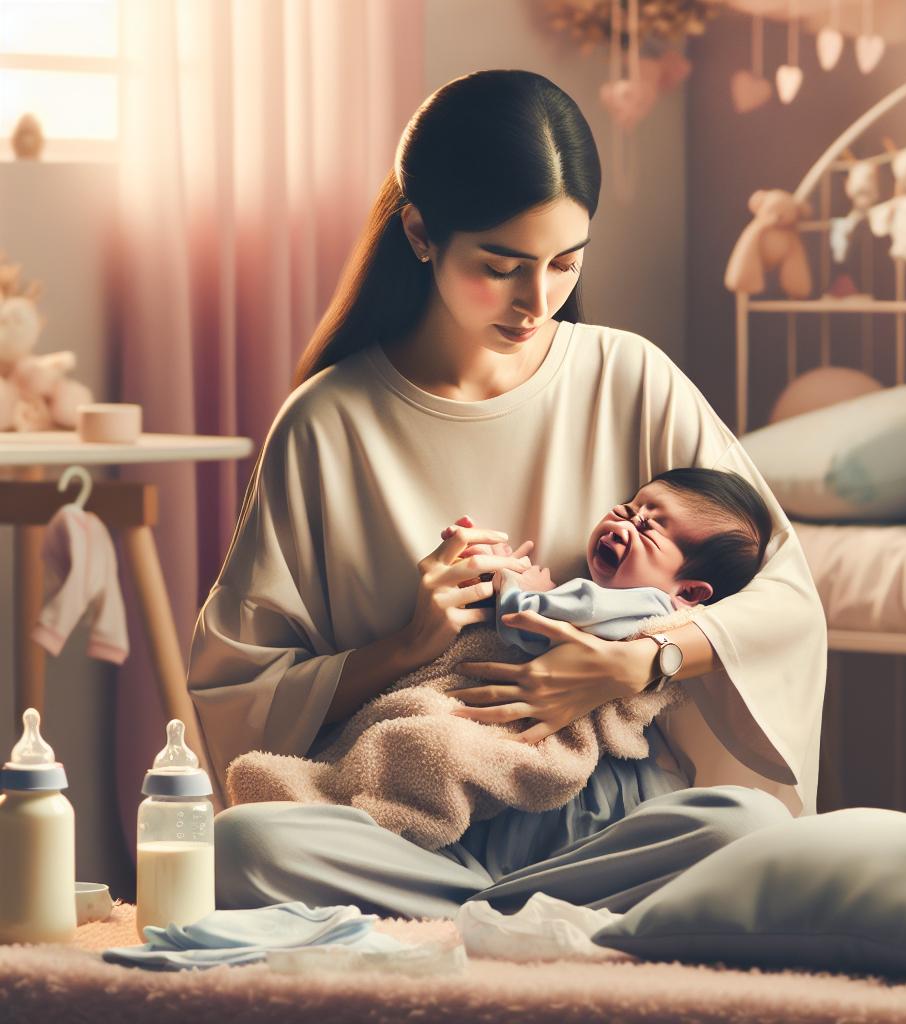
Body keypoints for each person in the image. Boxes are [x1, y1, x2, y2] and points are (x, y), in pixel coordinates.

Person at [188, 69, 827, 918]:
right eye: (502, 266)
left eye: (566, 263)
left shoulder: (628, 377)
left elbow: (787, 599)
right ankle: (530, 926)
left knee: (742, 828)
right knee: (241, 845)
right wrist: (406, 645)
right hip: (415, 836)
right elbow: (239, 703)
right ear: (420, 233)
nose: (537, 301)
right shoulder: (327, 423)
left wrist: (636, 660)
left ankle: (473, 928)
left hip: (606, 831)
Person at [221, 467, 775, 851]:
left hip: (555, 759)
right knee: (411, 727)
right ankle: (352, 810)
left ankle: (375, 817)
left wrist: (513, 581)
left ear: (693, 592)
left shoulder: (649, 609)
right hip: (507, 747)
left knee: (432, 744)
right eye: (629, 509)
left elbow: (535, 622)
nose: (625, 524)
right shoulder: (626, 603)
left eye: (651, 528)